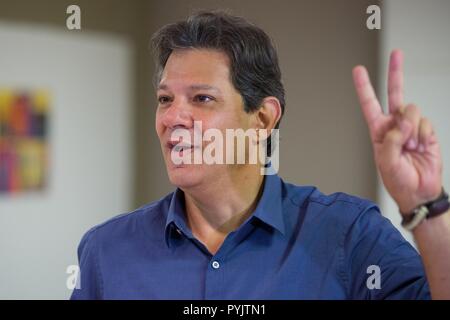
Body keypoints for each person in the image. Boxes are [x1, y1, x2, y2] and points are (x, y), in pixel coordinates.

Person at [71, 11, 450, 299]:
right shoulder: (106, 251)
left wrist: (427, 207)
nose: (172, 117)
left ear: (263, 118)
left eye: (202, 98)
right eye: (165, 99)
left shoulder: (349, 237)